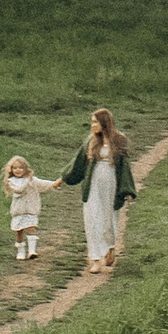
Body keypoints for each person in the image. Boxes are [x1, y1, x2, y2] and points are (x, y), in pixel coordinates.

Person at [58, 107, 137, 270]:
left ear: (104, 123)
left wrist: (127, 190)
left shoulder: (119, 140)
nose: (92, 125)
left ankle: (110, 248)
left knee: (109, 220)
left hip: (111, 183)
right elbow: (78, 163)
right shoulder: (91, 141)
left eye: (95, 122)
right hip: (93, 183)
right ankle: (94, 259)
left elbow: (124, 167)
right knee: (92, 218)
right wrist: (63, 179)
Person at [3, 155, 47, 262]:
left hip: (30, 210)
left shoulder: (32, 180)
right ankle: (21, 251)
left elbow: (42, 184)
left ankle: (32, 251)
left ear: (25, 169)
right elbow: (19, 190)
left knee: (31, 228)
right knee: (19, 231)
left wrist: (55, 184)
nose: (18, 170)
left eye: (20, 168)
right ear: (11, 170)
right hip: (18, 211)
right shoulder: (12, 181)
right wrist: (28, 181)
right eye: (15, 168)